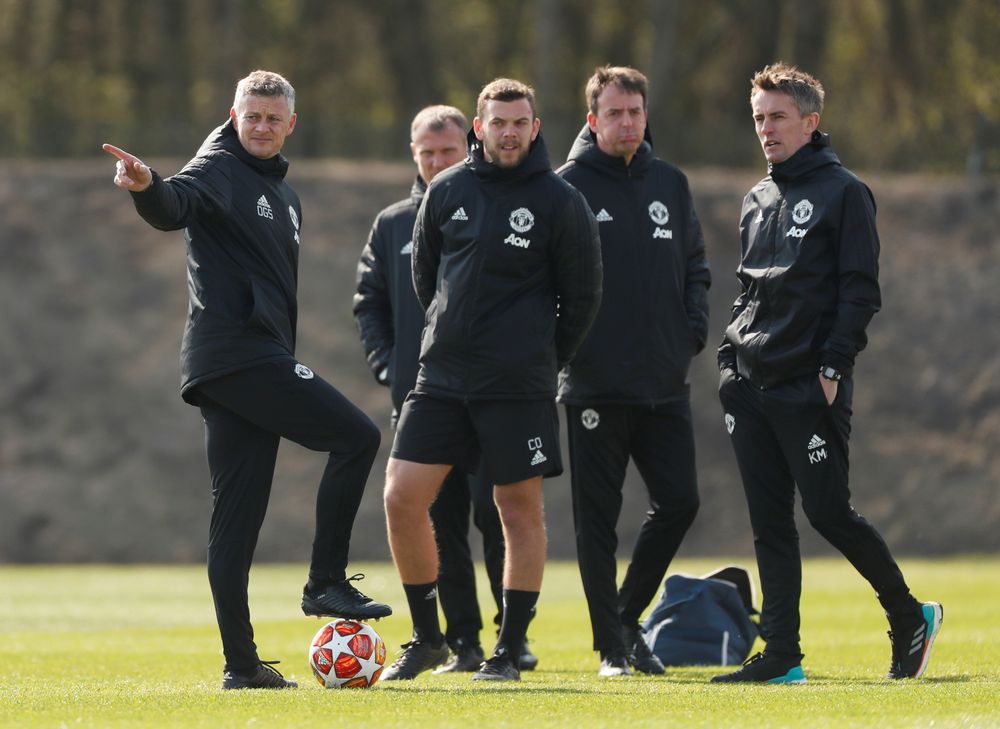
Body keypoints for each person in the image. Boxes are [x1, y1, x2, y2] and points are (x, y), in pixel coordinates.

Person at [102, 70, 391, 691]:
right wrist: (147, 186)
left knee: (236, 519)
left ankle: (241, 665)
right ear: (234, 118)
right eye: (250, 116)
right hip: (239, 357)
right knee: (357, 436)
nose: (260, 127)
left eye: (271, 118)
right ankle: (326, 581)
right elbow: (175, 203)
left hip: (233, 365)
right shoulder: (219, 167)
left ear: (291, 124)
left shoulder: (283, 193)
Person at [714, 62, 942, 684]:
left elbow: (859, 291)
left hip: (807, 383)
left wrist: (834, 366)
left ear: (811, 123)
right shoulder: (757, 198)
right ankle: (783, 656)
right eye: (759, 118)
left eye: (777, 117)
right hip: (747, 383)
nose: (766, 129)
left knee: (828, 512)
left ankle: (909, 618)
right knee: (768, 522)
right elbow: (748, 290)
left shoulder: (846, 192)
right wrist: (728, 362)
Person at [380, 78, 602, 682]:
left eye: (519, 122)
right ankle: (428, 638)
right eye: (498, 122)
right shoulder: (446, 190)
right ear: (478, 128)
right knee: (402, 497)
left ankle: (508, 649)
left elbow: (583, 298)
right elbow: (427, 281)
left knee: (516, 509)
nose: (509, 132)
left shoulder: (562, 201)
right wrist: (449, 339)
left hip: (519, 384)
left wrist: (541, 359)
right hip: (443, 377)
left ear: (535, 128)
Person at [353, 105, 536, 673]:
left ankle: (514, 636)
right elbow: (369, 305)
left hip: (493, 393)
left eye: (447, 152)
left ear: (469, 145)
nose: (437, 162)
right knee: (440, 521)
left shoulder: (490, 210)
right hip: (423, 399)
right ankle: (462, 642)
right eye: (427, 153)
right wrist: (390, 368)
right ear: (414, 155)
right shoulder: (391, 225)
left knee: (496, 511)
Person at [556, 65, 710, 678]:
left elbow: (695, 265)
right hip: (594, 384)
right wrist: (567, 351)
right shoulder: (565, 187)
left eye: (636, 112)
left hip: (664, 380)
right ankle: (611, 649)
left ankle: (625, 617)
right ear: (592, 120)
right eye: (615, 112)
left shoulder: (670, 183)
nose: (627, 122)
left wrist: (689, 334)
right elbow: (546, 284)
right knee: (597, 522)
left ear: (646, 116)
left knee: (680, 502)